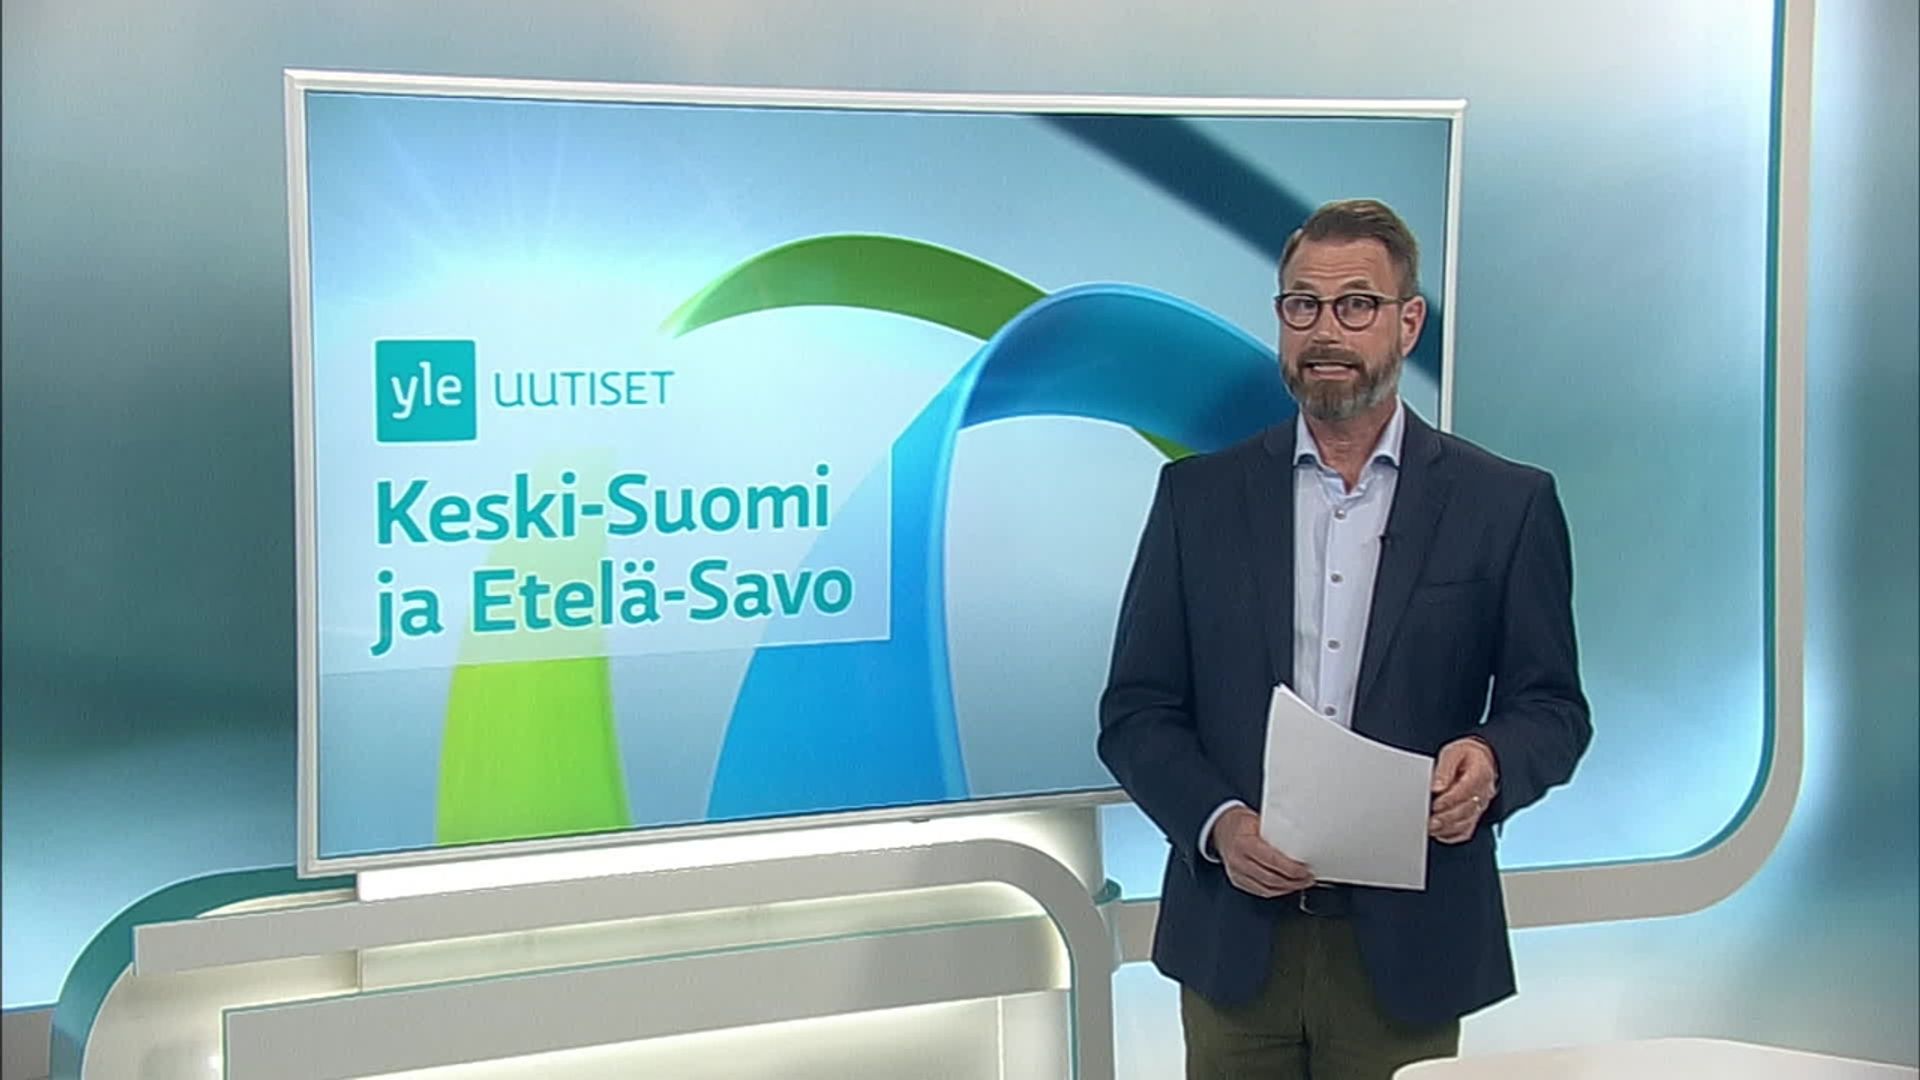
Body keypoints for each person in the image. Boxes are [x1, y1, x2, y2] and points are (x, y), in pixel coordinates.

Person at [1097, 198, 1591, 1079]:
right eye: (1304, 305)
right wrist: (1219, 825)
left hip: (1408, 948)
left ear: (1409, 323)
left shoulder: (1504, 504)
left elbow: (1551, 707)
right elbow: (1137, 712)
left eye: (1357, 304)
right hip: (1234, 942)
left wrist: (1491, 761)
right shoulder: (1197, 501)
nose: (1326, 331)